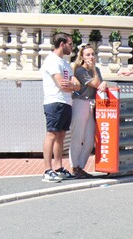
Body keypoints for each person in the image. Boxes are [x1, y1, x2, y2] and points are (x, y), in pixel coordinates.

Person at [40, 32, 80, 183]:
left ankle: (58, 167)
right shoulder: (52, 61)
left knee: (61, 135)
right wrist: (73, 86)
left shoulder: (65, 63)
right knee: (52, 134)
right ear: (62, 44)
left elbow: (76, 84)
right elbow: (62, 84)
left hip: (66, 102)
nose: (72, 47)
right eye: (70, 44)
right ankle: (47, 170)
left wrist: (73, 85)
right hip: (54, 101)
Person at [70, 44, 107, 179]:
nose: (91, 57)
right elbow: (96, 84)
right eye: (88, 55)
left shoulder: (95, 69)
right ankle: (75, 166)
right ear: (82, 57)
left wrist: (103, 82)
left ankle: (81, 165)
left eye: (92, 54)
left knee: (90, 138)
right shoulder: (80, 71)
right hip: (81, 102)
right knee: (78, 136)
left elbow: (101, 84)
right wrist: (96, 75)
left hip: (91, 104)